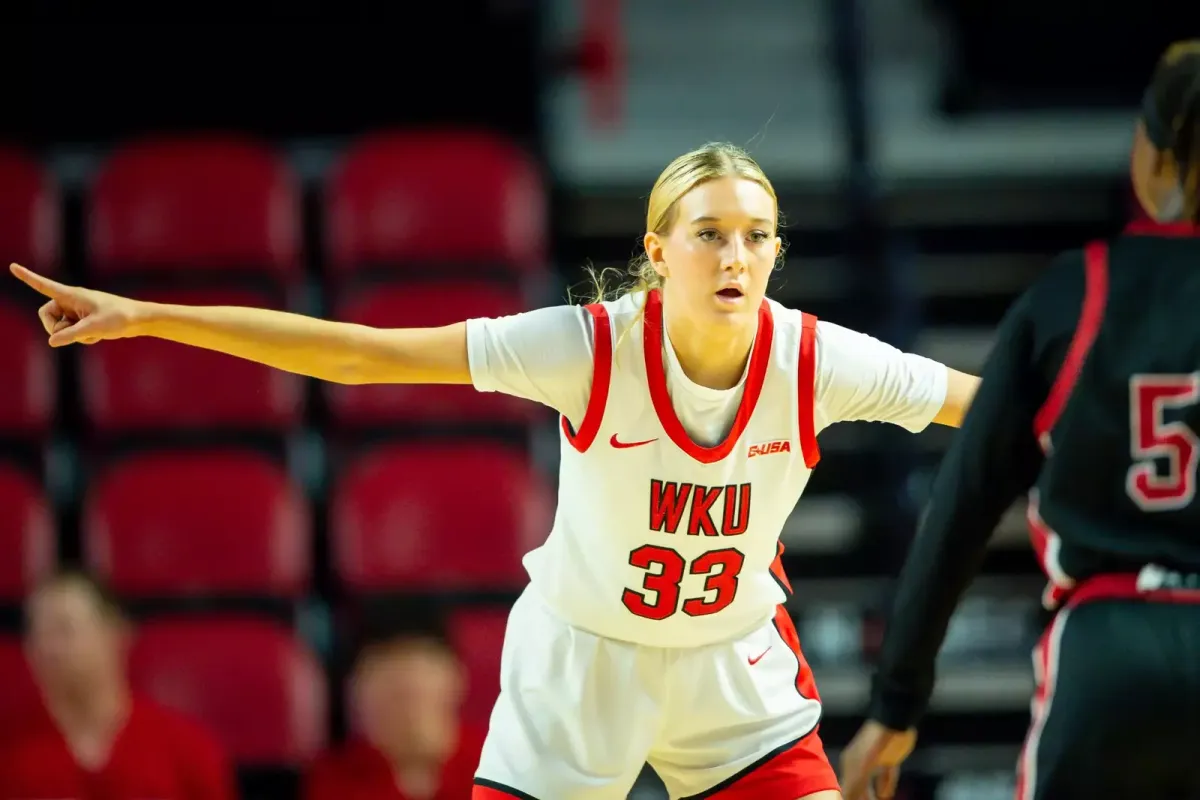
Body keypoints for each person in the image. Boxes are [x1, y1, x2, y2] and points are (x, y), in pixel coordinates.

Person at [9, 141, 978, 800]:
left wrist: (1096, 406)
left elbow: (997, 406)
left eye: (757, 235)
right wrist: (148, 314)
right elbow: (362, 352)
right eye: (709, 233)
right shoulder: (588, 347)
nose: (736, 254)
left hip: (729, 661)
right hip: (582, 662)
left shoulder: (816, 357)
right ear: (658, 251)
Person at [839, 41, 1200, 800]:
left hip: (1110, 642)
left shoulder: (1076, 293)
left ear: (1152, 152)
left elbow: (961, 507)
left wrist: (896, 701)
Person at [0, 570, 236, 800]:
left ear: (116, 635)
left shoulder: (188, 750)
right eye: (37, 633)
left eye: (64, 630)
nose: (47, 647)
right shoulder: (9, 751)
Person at [303, 600, 486, 800]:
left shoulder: (507, 766)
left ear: (458, 675)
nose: (407, 683)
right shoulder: (332, 780)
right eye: (386, 668)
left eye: (422, 665)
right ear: (354, 690)